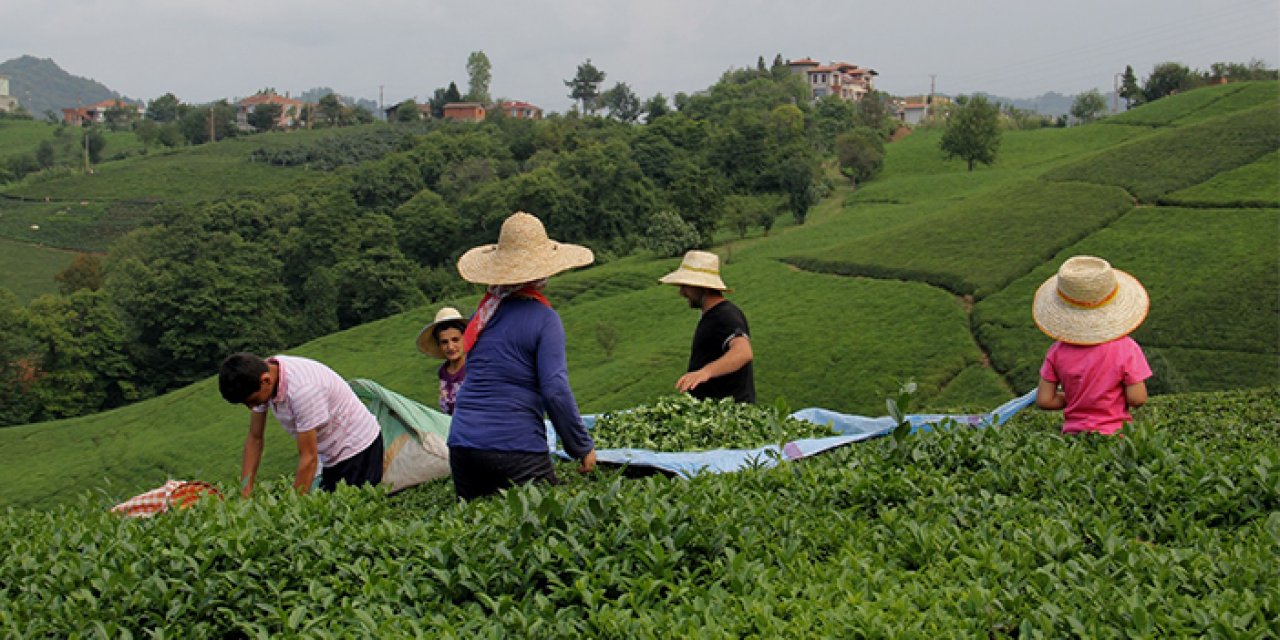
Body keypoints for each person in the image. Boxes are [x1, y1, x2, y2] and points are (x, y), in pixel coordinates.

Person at [446, 211, 597, 500]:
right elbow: (555, 390)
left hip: (463, 445)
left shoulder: (483, 314)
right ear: (543, 273)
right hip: (515, 446)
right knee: (549, 519)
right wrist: (581, 447)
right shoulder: (545, 319)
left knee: (476, 524)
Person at [219, 352, 383, 497]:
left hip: (358, 448)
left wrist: (293, 508)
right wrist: (245, 491)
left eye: (253, 401)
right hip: (329, 453)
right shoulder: (260, 375)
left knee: (351, 508)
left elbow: (309, 458)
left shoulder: (302, 391)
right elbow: (255, 438)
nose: (252, 408)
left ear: (266, 380)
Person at [1032, 255, 1153, 435]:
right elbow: (1137, 398)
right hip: (1116, 437)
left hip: (1073, 436)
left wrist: (1077, 399)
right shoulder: (1127, 347)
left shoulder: (1056, 351)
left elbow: (1044, 400)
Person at [659, 250, 755, 403]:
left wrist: (705, 372)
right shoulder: (712, 316)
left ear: (701, 287)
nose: (682, 293)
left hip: (728, 411)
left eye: (685, 286)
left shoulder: (725, 316)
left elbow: (743, 352)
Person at [417, 306, 467, 415]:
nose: (450, 347)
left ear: (464, 338)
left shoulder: (474, 367)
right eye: (444, 342)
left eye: (455, 340)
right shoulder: (443, 372)